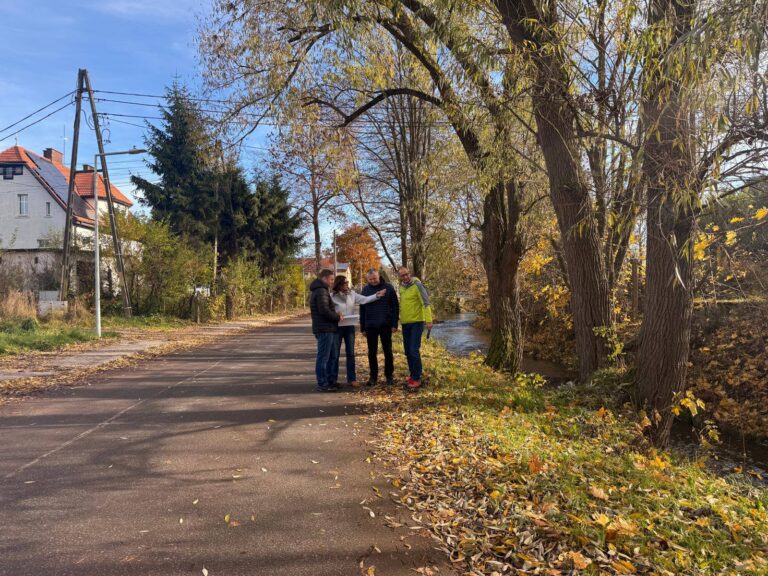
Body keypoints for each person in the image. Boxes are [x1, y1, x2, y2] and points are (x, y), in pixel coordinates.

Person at [330, 275, 386, 388]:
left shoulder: (352, 294)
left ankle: (352, 379)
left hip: (349, 327)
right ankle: (332, 379)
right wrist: (335, 314)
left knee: (350, 354)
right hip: (337, 327)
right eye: (345, 283)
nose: (347, 284)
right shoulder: (332, 296)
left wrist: (377, 295)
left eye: (347, 282)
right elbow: (327, 310)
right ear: (339, 285)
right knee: (335, 354)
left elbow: (364, 299)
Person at [360, 268, 399, 387]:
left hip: (385, 325)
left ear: (379, 276)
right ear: (367, 279)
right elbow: (362, 309)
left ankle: (389, 376)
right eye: (370, 279)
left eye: (375, 278)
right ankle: (373, 377)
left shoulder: (389, 288)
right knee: (372, 352)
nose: (373, 281)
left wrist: (394, 324)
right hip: (370, 326)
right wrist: (363, 327)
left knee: (388, 351)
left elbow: (395, 307)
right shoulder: (365, 290)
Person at [398, 266, 433, 390]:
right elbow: (402, 305)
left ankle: (417, 378)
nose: (406, 277)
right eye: (403, 275)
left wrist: (429, 320)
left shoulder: (417, 285)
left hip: (417, 323)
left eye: (407, 274)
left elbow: (426, 303)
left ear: (410, 273)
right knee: (407, 351)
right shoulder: (401, 288)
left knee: (413, 350)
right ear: (400, 277)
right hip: (405, 323)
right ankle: (413, 375)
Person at [309, 269, 343, 392]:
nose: (333, 282)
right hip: (324, 329)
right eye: (331, 279)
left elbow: (326, 309)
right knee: (323, 357)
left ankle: (330, 381)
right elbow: (324, 310)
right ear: (324, 279)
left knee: (331, 356)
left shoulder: (322, 290)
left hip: (328, 328)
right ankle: (322, 383)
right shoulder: (321, 291)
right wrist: (337, 317)